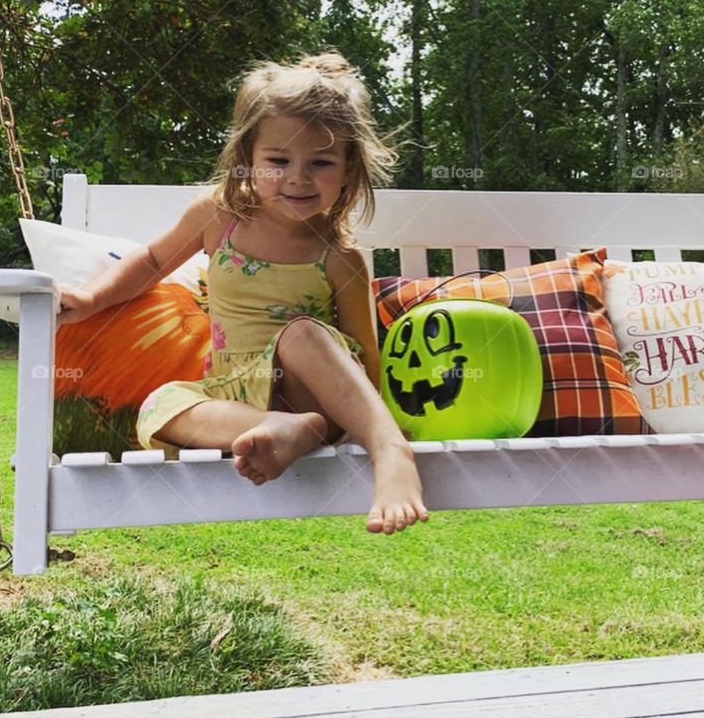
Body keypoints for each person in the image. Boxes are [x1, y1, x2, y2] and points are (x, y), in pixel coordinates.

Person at [57, 51, 429, 536]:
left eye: (321, 162)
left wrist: (370, 420)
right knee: (159, 404)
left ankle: (388, 451)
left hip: (315, 390)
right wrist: (91, 299)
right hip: (234, 392)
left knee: (301, 335)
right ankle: (282, 430)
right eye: (278, 160)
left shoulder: (339, 256)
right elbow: (150, 262)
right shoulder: (217, 217)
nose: (298, 177)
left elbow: (366, 352)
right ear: (246, 157)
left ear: (349, 167)